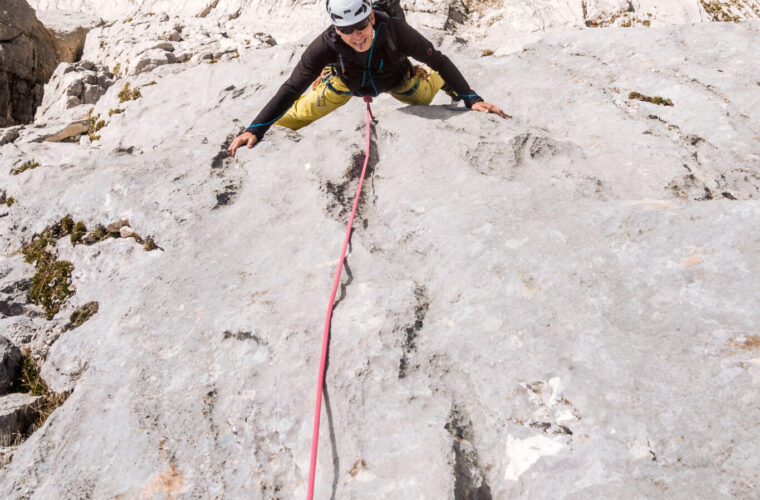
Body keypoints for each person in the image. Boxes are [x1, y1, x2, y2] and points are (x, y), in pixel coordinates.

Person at [228, 0, 506, 157]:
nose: (356, 34)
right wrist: (255, 129)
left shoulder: (395, 30)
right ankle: (256, 128)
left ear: (371, 17)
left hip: (397, 78)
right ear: (336, 28)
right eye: (347, 29)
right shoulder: (324, 47)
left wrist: (471, 99)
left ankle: (438, 81)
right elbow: (292, 88)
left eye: (361, 25)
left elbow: (438, 59)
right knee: (291, 118)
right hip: (344, 83)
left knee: (426, 92)